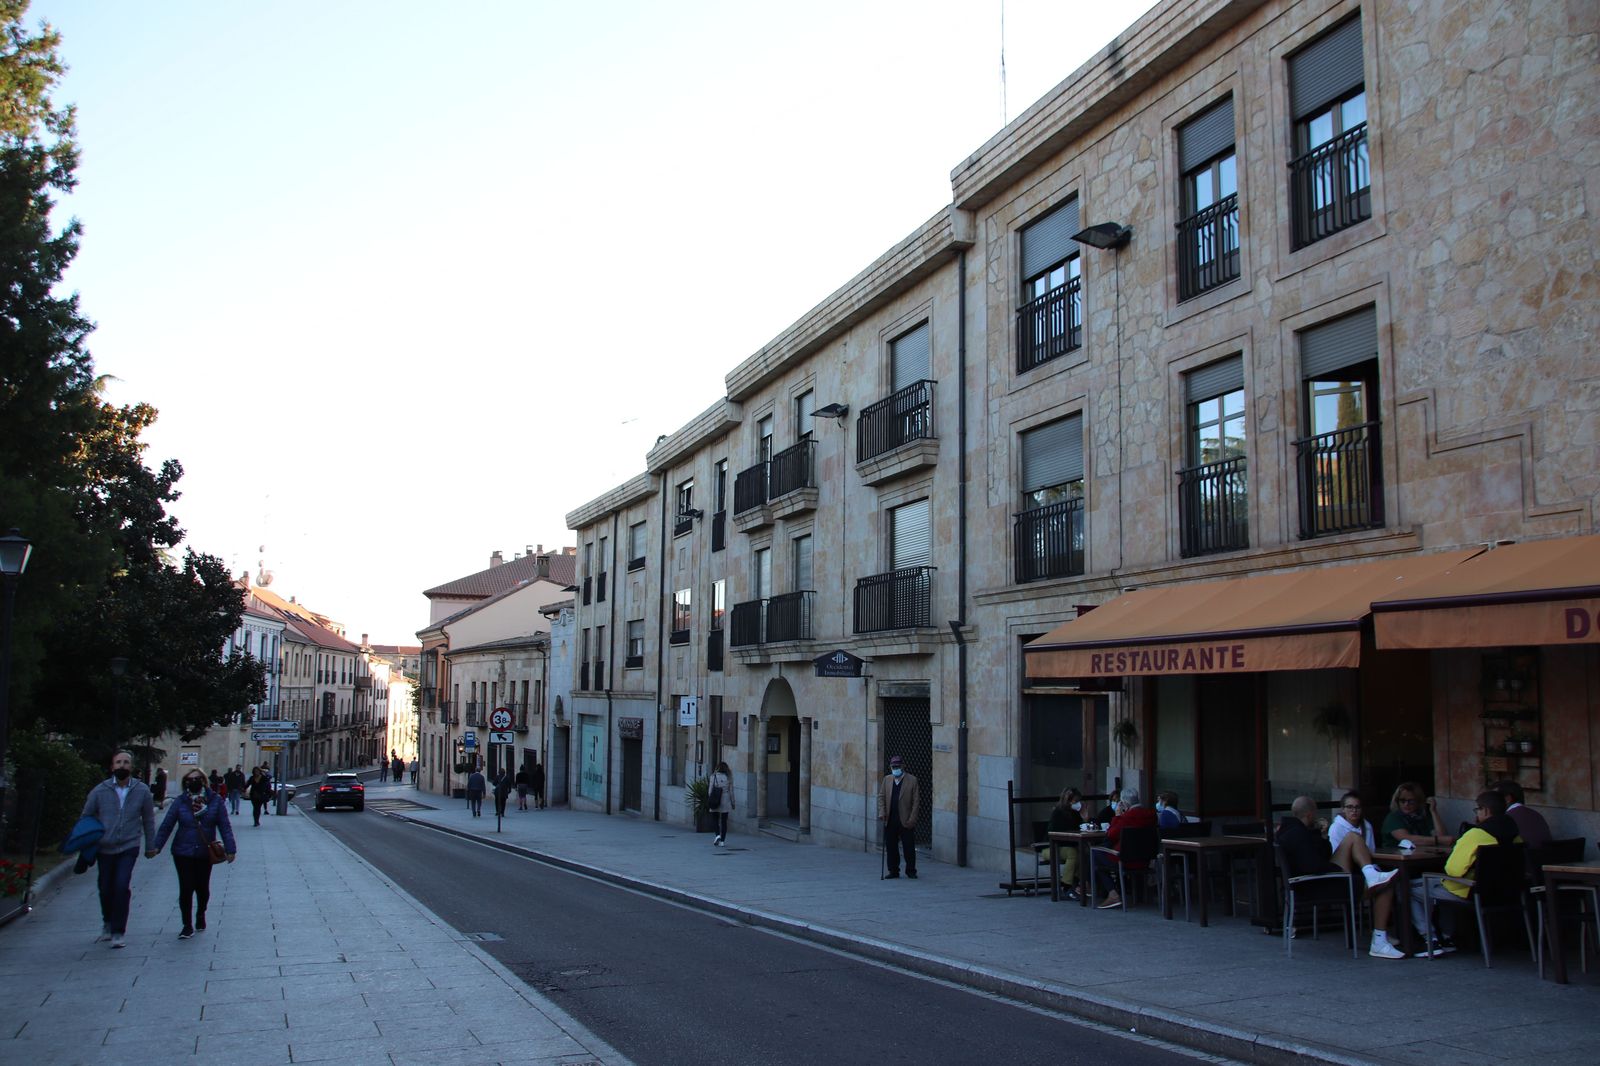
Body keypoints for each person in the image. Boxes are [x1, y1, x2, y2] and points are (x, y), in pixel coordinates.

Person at [1279, 796, 1401, 958]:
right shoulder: (1298, 835)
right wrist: (1333, 867)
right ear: (1309, 814)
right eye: (1315, 814)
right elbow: (1314, 865)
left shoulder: (1290, 830)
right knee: (1386, 885)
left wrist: (1319, 834)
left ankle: (1370, 874)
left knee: (1352, 837)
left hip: (1313, 883)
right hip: (1317, 886)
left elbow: (1322, 854)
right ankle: (1379, 941)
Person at [1408, 790, 1522, 955]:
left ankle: (1431, 940)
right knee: (1441, 888)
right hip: (1507, 894)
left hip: (1471, 892)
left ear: (1486, 811)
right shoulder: (1516, 836)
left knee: (1408, 888)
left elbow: (1453, 870)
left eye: (1477, 810)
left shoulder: (1475, 834)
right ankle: (1447, 936)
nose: (1476, 814)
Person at [79, 750, 158, 949]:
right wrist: (86, 842)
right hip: (104, 847)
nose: (122, 765)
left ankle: (118, 930)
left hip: (129, 846)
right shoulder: (100, 790)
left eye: (126, 762)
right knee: (106, 887)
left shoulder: (141, 791)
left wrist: (150, 845)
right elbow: (86, 817)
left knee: (121, 886)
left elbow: (148, 820)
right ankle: (107, 920)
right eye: (118, 762)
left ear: (131, 767)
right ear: (112, 766)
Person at [151, 769, 237, 939]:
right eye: (189, 780)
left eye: (197, 779)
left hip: (205, 852)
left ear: (204, 781)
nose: (194, 782)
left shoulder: (215, 801)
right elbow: (167, 824)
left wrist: (230, 849)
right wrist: (157, 846)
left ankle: (201, 913)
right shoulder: (181, 802)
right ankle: (187, 925)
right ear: (185, 783)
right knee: (186, 887)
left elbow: (225, 826)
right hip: (182, 851)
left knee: (202, 888)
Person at [1096, 787, 1158, 909]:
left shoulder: (1126, 818)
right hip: (1145, 859)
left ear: (1124, 803)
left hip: (1125, 860)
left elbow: (1111, 834)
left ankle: (1112, 893)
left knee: (1096, 855)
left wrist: (1117, 816)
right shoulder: (1152, 815)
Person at [877, 755, 920, 879]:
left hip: (905, 819)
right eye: (893, 767)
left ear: (903, 766)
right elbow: (881, 797)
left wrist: (912, 819)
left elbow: (916, 802)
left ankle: (911, 870)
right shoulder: (887, 779)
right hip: (890, 819)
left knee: (908, 847)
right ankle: (893, 870)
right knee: (891, 846)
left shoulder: (912, 780)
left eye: (897, 767)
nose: (895, 769)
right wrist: (882, 812)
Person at [1380, 782, 1454, 848]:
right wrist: (1437, 840)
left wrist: (1433, 811)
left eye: (1411, 801)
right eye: (1402, 800)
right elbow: (1407, 839)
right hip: (1397, 859)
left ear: (1419, 801)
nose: (1406, 804)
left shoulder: (1423, 816)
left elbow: (1443, 837)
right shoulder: (1393, 817)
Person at [1045, 787, 1087, 900]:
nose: (1078, 804)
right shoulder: (1057, 813)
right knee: (1073, 853)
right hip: (1052, 847)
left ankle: (1077, 883)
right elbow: (1052, 833)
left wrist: (1085, 817)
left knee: (1085, 853)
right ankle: (1066, 886)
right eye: (1075, 801)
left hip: (1071, 844)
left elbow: (1082, 827)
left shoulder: (1075, 813)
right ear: (1068, 800)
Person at [1494, 779, 1552, 847]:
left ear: (1507, 799)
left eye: (1494, 798)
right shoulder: (1536, 815)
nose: (1491, 803)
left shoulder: (1505, 819)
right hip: (1547, 856)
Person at [708, 760, 735, 846]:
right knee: (724, 821)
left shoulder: (713, 776)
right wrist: (733, 803)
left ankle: (717, 835)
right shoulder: (729, 777)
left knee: (715, 819)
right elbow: (731, 792)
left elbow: (710, 791)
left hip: (716, 799)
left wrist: (711, 799)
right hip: (726, 800)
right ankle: (722, 841)